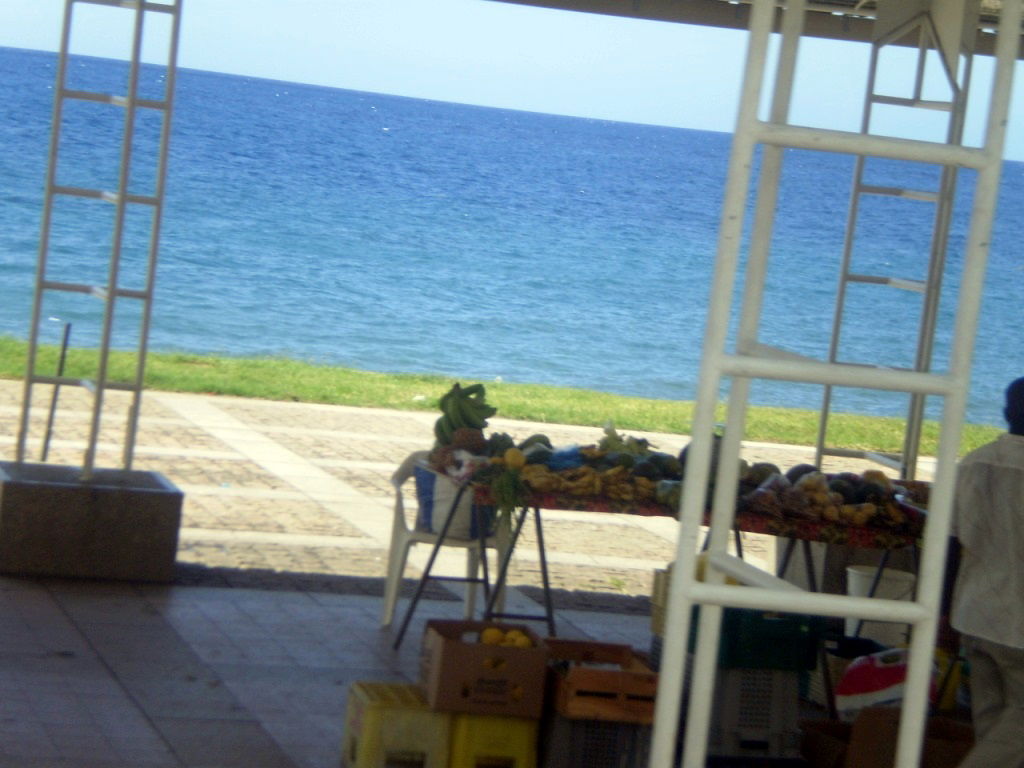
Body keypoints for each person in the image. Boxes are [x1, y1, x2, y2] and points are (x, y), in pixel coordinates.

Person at [950, 376, 1024, 768]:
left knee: (992, 725)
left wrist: (945, 610)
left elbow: (949, 540)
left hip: (976, 611)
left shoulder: (974, 461)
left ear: (1006, 414)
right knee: (1010, 738)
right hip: (1018, 624)